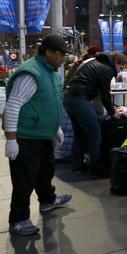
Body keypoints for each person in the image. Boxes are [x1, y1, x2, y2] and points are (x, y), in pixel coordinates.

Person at [4, 34, 72, 235]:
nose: (63, 59)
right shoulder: (31, 73)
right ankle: (18, 219)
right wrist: (11, 139)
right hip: (27, 137)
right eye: (61, 54)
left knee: (45, 171)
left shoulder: (50, 71)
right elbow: (13, 105)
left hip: (43, 135)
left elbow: (50, 101)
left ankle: (48, 201)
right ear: (49, 52)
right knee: (24, 179)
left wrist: (55, 128)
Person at [64, 51, 127, 177]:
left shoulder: (95, 61)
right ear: (116, 62)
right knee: (95, 134)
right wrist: (112, 112)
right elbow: (105, 95)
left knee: (79, 133)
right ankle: (96, 170)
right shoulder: (106, 68)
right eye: (120, 68)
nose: (120, 71)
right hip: (80, 99)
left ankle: (77, 165)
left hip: (69, 98)